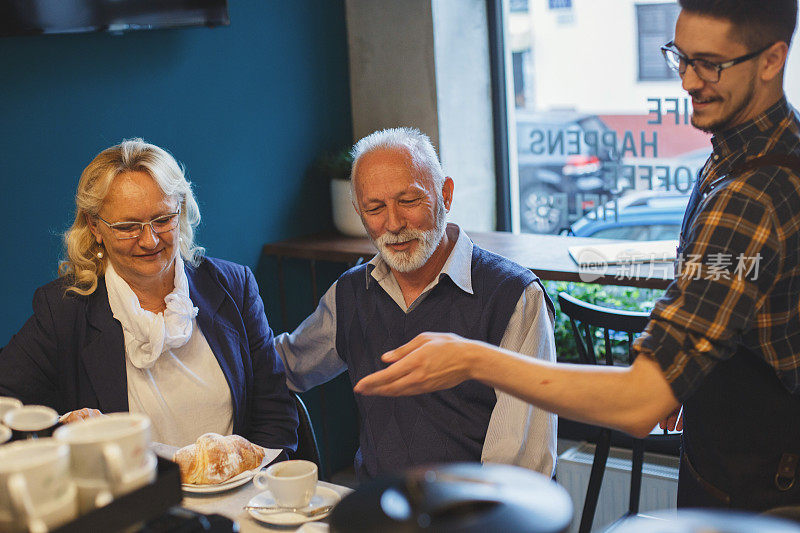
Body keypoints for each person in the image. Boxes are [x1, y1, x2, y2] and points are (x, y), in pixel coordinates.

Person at [355, 0, 800, 512]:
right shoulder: (736, 158)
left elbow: (638, 405)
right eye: (681, 57)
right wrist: (692, 381)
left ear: (771, 60)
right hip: (726, 462)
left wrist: (472, 357)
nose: (688, 81)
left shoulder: (752, 195)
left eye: (711, 65)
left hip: (765, 493)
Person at [275, 127, 557, 480]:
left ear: (446, 194)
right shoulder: (352, 292)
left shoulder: (514, 297)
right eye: (374, 208)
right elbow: (285, 365)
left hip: (476, 516)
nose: (393, 223)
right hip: (380, 512)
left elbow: (518, 473)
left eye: (409, 201)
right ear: (358, 212)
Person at [0, 139, 298, 454]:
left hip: (240, 495)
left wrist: (256, 484)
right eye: (128, 226)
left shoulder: (234, 286)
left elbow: (275, 414)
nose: (149, 240)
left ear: (180, 211)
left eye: (162, 220)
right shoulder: (65, 310)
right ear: (95, 226)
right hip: (133, 498)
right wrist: (62, 429)